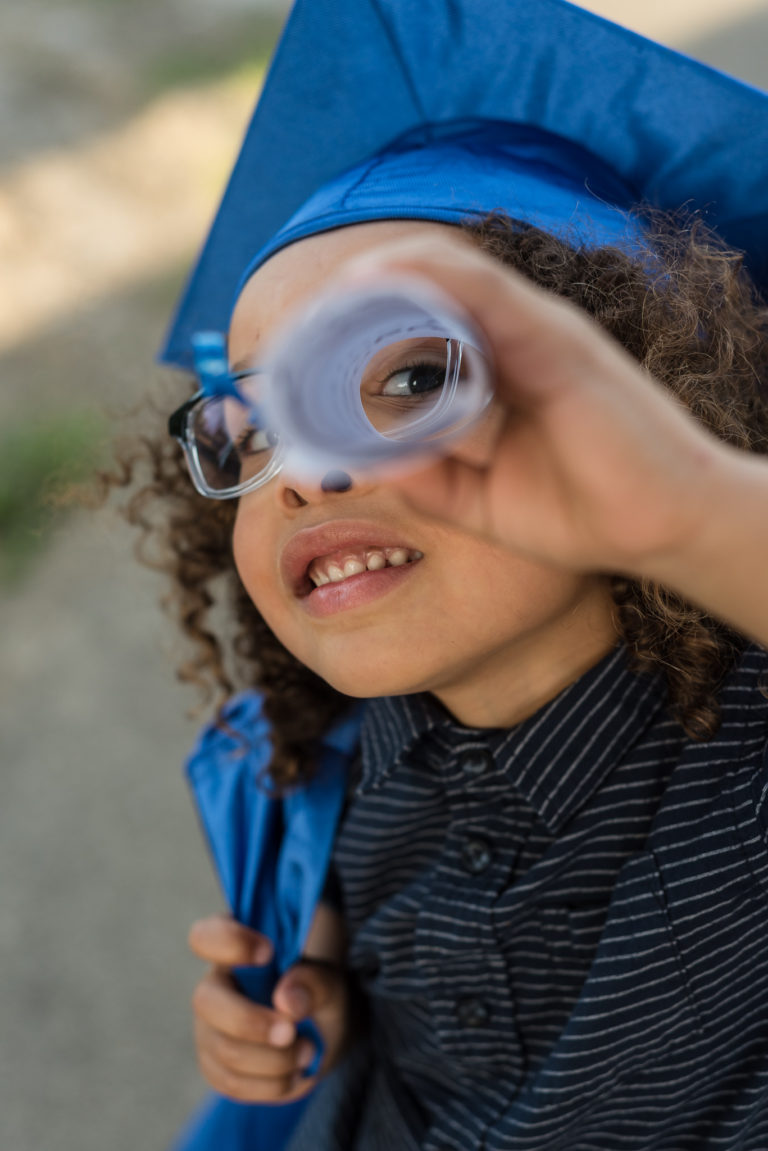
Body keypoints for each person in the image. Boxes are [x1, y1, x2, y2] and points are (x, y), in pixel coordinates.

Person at [109, 0, 768, 1146]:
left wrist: (690, 507)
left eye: (408, 379)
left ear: (642, 404)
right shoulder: (330, 781)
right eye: (248, 426)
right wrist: (315, 998)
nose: (303, 474)